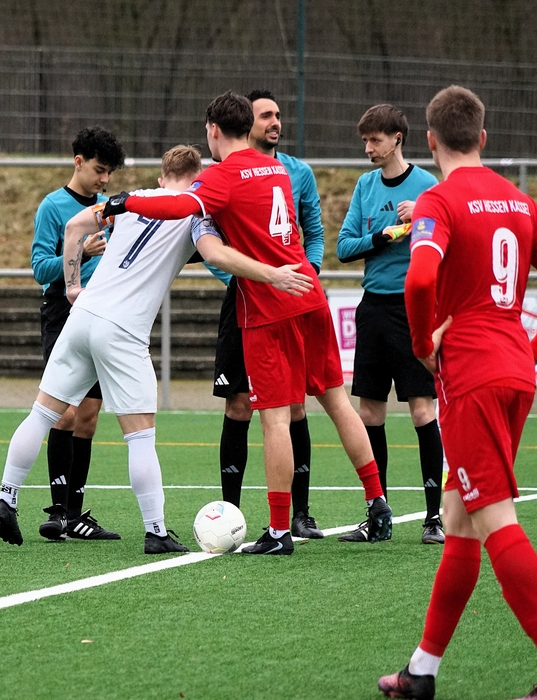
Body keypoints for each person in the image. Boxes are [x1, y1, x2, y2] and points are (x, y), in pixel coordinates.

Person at [102, 91, 393, 555]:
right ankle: (378, 502)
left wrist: (126, 201)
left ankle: (279, 531)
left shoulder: (224, 175)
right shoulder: (276, 167)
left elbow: (180, 207)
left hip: (269, 308)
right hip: (308, 294)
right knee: (337, 402)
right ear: (249, 127)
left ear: (213, 131)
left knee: (275, 419)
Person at [377, 86, 537, 700]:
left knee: (494, 518)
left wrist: (422, 344)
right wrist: (534, 348)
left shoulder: (436, 200)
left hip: (470, 376)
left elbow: (419, 276)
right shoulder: (520, 202)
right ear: (484, 137)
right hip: (511, 370)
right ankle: (422, 672)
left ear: (429, 141)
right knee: (459, 519)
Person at [0, 145, 314, 553]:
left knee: (42, 413)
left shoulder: (132, 199)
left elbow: (74, 227)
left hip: (84, 315)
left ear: (162, 178)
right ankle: (157, 532)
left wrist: (73, 285)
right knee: (140, 436)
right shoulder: (196, 213)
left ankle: (7, 497)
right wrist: (269, 272)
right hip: (123, 330)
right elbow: (215, 254)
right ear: (197, 181)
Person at [209, 89, 327, 539]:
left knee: (292, 407)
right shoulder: (224, 173)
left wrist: (303, 276)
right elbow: (211, 239)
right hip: (246, 297)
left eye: (278, 114)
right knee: (239, 405)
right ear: (247, 125)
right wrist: (244, 281)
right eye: (266, 116)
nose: (275, 122)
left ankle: (300, 514)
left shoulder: (295, 171)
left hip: (288, 299)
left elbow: (310, 232)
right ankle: (230, 514)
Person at [335, 103, 445, 545]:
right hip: (373, 308)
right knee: (369, 413)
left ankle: (433, 518)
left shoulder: (428, 187)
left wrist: (422, 215)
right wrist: (379, 237)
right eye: (365, 140)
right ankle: (377, 513)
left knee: (421, 411)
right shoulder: (364, 185)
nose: (369, 148)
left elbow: (446, 237)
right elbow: (343, 246)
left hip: (413, 308)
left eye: (375, 140)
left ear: (397, 138)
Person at [30, 126, 126, 542]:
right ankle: (56, 510)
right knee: (64, 412)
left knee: (88, 416)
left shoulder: (111, 208)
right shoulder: (53, 207)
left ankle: (74, 513)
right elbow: (39, 269)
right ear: (79, 162)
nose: (104, 180)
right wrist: (77, 253)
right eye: (99, 170)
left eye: (110, 174)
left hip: (101, 315)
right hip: (62, 312)